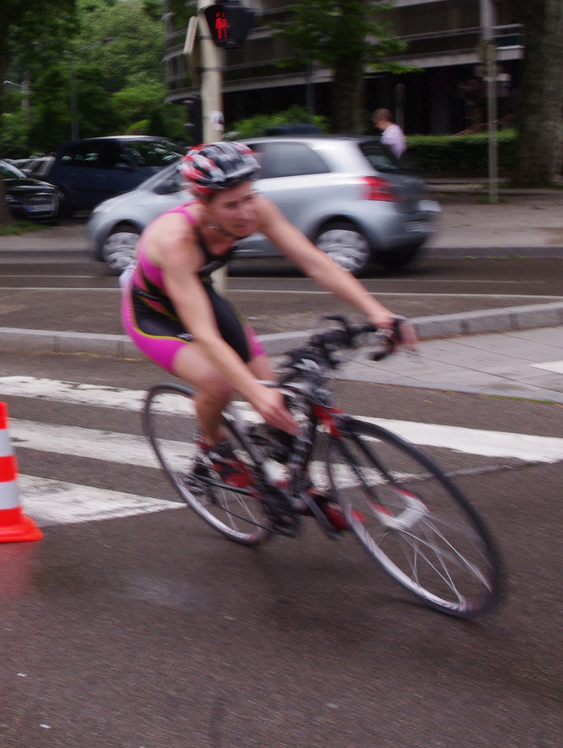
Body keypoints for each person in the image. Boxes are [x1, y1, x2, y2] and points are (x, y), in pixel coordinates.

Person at [120, 142, 414, 524]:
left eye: (249, 197)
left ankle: (297, 482)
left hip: (196, 294)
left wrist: (379, 313)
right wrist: (253, 394)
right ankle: (214, 448)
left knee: (277, 389)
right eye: (231, 205)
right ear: (203, 203)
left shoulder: (255, 210)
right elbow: (205, 335)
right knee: (219, 384)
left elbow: (314, 261)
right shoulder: (177, 239)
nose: (246, 214)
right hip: (153, 314)